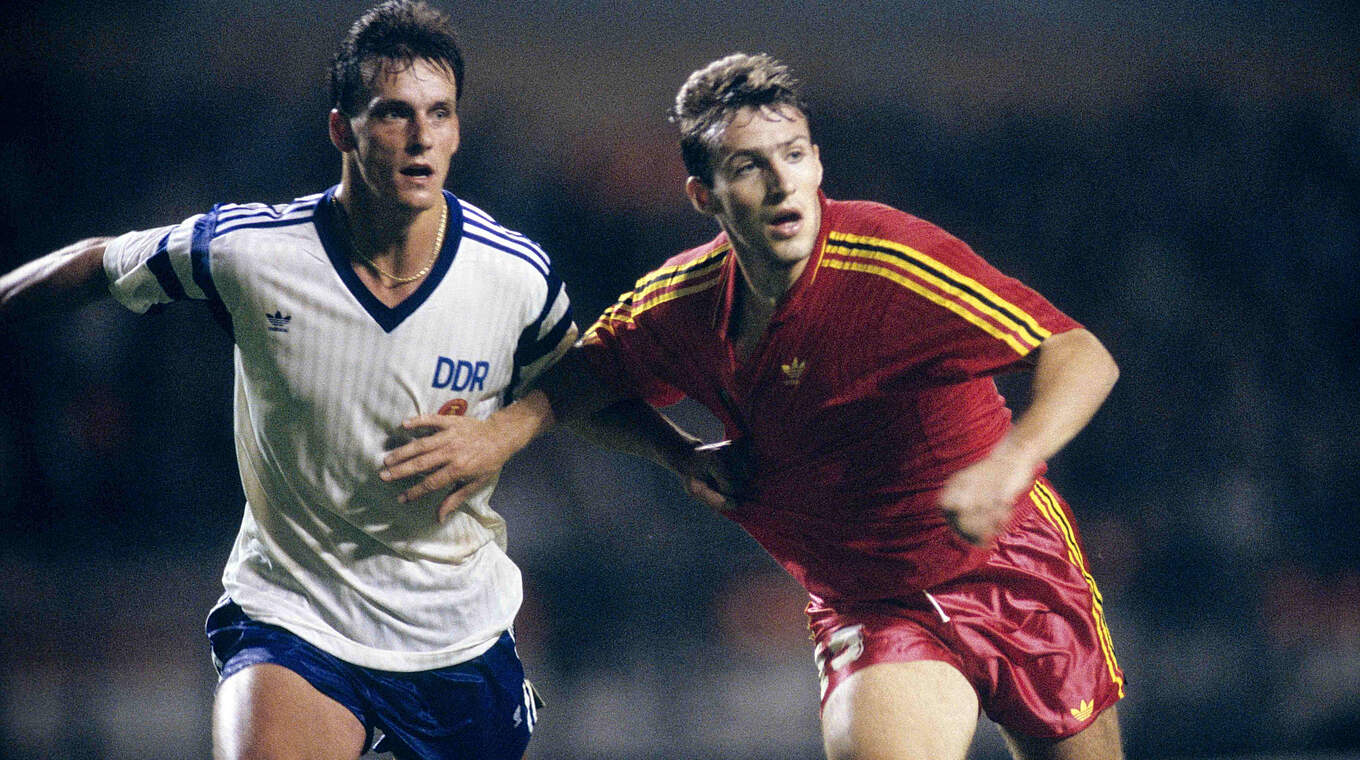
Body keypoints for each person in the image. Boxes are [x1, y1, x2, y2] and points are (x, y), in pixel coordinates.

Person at [379, 53, 1127, 759]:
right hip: (871, 606)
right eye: (747, 166)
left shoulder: (893, 262)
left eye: (793, 155)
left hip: (1012, 564)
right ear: (704, 196)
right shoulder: (682, 303)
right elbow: (580, 382)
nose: (780, 184)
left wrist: (1008, 465)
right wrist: (646, 449)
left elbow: (1081, 354)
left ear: (818, 162)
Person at [0, 2, 570, 758]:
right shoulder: (252, 251)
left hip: (456, 637)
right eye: (394, 113)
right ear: (342, 130)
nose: (421, 136)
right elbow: (100, 262)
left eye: (440, 113)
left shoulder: (515, 274)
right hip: (296, 618)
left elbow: (586, 381)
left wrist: (512, 435)